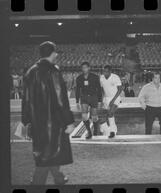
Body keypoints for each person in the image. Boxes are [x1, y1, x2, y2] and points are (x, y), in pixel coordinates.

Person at [21, 41, 75, 185]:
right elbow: (60, 99)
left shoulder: (30, 71)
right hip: (54, 121)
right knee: (51, 152)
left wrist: (26, 120)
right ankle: (39, 181)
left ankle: (58, 176)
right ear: (53, 53)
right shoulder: (53, 71)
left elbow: (25, 99)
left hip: (37, 121)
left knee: (44, 151)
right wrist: (69, 121)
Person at [75, 62, 102, 139]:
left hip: (94, 97)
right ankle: (89, 132)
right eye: (83, 68)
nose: (84, 69)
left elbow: (99, 89)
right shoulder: (79, 78)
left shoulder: (95, 77)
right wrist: (77, 101)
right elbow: (77, 90)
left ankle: (96, 131)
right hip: (84, 98)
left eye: (85, 67)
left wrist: (100, 101)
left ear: (89, 68)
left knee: (94, 117)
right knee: (84, 116)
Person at [100, 65, 123, 138]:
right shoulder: (101, 78)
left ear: (110, 72)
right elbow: (102, 90)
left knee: (110, 113)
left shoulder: (115, 77)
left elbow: (120, 90)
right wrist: (101, 100)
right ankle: (106, 130)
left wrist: (112, 100)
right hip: (106, 98)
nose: (105, 73)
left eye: (107, 71)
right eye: (104, 71)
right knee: (102, 118)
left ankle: (113, 131)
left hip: (115, 98)